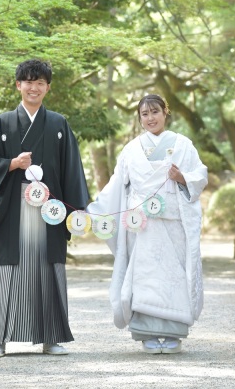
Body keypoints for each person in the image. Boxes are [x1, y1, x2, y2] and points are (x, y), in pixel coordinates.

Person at [0, 59, 90, 357]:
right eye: (28, 81)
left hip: (49, 209)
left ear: (47, 88)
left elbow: (71, 169)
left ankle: (51, 338)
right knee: (7, 271)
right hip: (12, 207)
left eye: (40, 83)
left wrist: (77, 208)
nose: (34, 87)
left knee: (47, 268)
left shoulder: (57, 124)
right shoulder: (1, 124)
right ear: (18, 85)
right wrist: (13, 164)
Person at [87, 94, 207, 354]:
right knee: (143, 277)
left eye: (155, 112)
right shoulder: (131, 149)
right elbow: (117, 184)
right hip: (141, 224)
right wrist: (96, 212)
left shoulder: (184, 145)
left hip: (173, 223)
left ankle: (174, 332)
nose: (150, 118)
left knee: (173, 275)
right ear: (139, 118)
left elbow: (200, 176)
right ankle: (145, 333)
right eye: (145, 114)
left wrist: (182, 177)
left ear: (166, 112)